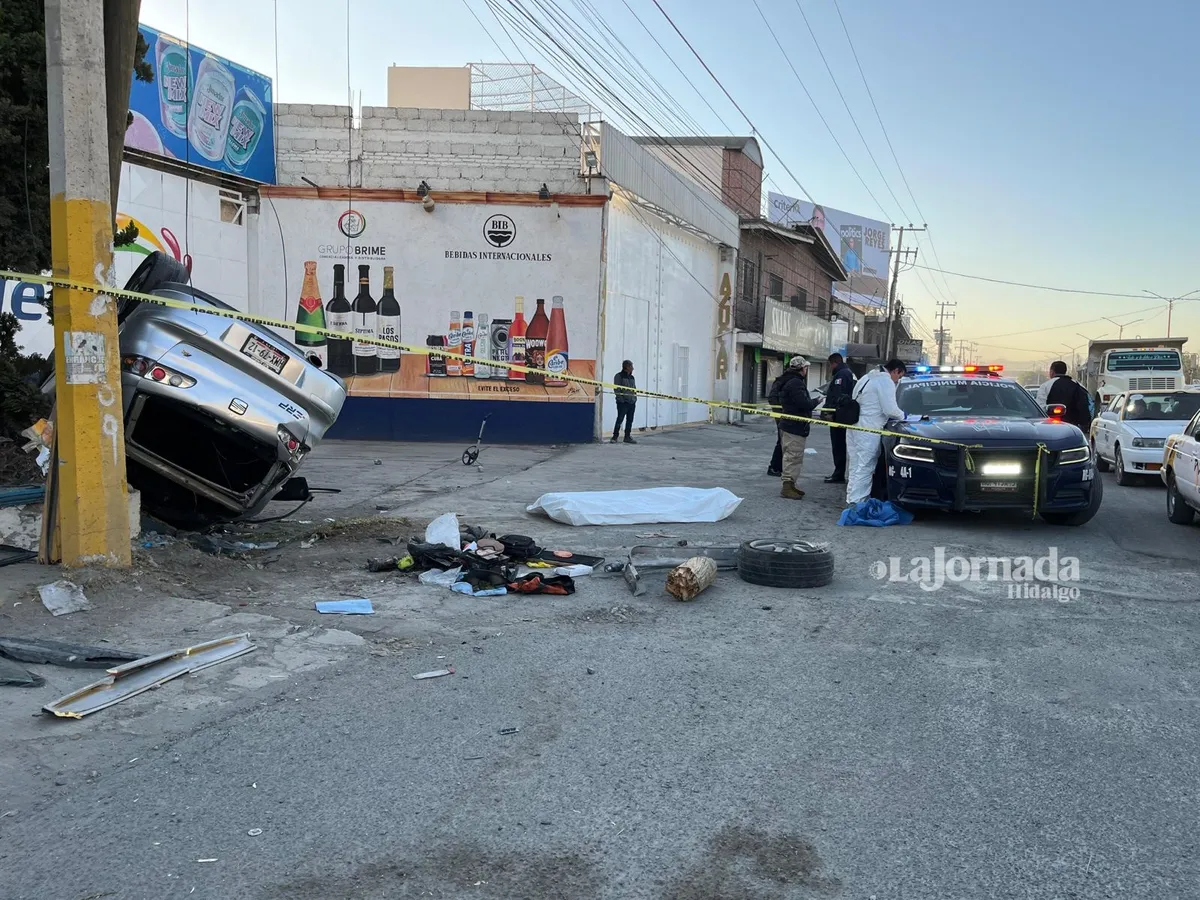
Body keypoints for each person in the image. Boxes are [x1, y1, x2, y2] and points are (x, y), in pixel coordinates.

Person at [846, 358, 908, 505]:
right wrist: (905, 416)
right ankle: (859, 503)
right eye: (899, 376)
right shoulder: (885, 381)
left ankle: (851, 500)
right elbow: (890, 410)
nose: (897, 380)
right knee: (866, 466)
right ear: (895, 370)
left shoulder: (866, 378)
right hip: (869, 427)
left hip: (853, 426)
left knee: (855, 465)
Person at [773, 357, 818, 499]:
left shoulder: (788, 380)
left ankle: (791, 484)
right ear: (802, 369)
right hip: (794, 426)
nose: (806, 370)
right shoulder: (795, 383)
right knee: (793, 456)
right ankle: (787, 486)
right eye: (805, 368)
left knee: (791, 455)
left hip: (789, 424)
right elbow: (804, 404)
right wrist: (817, 401)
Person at [821, 353, 857, 483]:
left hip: (839, 416)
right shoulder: (848, 372)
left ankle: (838, 474)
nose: (830, 368)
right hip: (844, 414)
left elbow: (836, 395)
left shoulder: (841, 374)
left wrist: (830, 412)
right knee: (841, 445)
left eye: (830, 365)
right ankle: (839, 473)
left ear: (834, 363)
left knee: (838, 445)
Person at [1036, 360, 1092, 431]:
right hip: (1073, 427)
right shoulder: (1078, 385)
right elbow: (1085, 405)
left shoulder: (1046, 386)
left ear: (1052, 372)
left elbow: (1040, 407)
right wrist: (1085, 424)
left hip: (1050, 426)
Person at [766, 369, 789, 476]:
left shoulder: (790, 380)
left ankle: (779, 467)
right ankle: (774, 467)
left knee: (784, 441)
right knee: (782, 440)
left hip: (785, 415)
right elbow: (772, 398)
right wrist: (780, 413)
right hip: (782, 415)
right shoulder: (782, 381)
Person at [611, 360, 637, 443]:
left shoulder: (632, 377)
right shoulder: (619, 376)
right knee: (620, 419)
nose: (633, 368)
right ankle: (615, 437)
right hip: (623, 403)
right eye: (631, 366)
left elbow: (634, 389)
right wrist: (621, 400)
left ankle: (627, 437)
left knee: (630, 420)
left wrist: (634, 399)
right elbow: (617, 389)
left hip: (631, 402)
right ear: (627, 367)